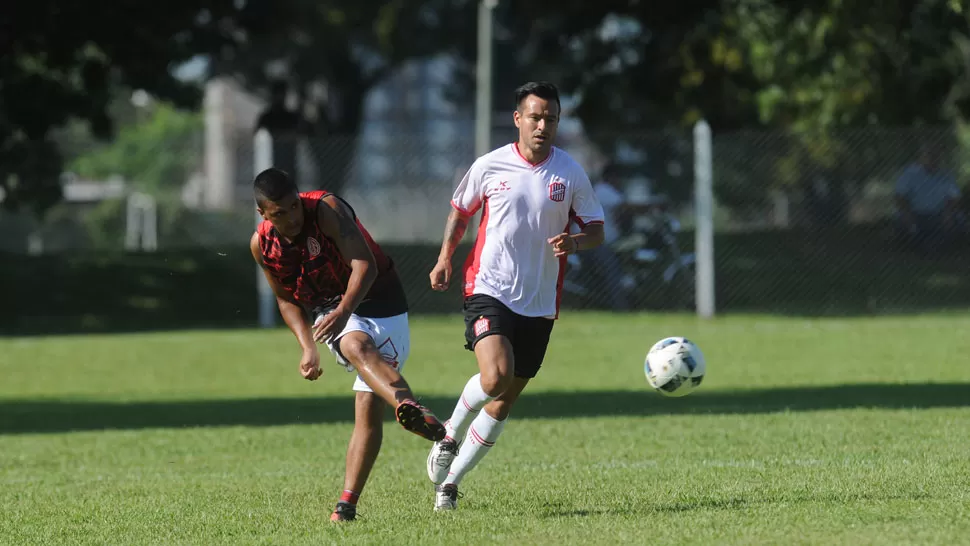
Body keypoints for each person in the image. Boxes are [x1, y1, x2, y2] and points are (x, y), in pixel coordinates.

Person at [425, 82, 606, 511]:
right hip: (489, 288)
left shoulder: (570, 172)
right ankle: (450, 430)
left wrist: (575, 243)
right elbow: (460, 212)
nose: (543, 125)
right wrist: (444, 259)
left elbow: (597, 230)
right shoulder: (490, 166)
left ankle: (450, 484)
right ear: (518, 119)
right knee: (494, 377)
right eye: (536, 117)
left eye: (551, 119)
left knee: (504, 401)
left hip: (541, 302)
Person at [248, 167, 445, 522]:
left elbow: (364, 265)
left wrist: (343, 311)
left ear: (298, 197)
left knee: (367, 414)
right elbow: (285, 299)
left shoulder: (326, 209)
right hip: (334, 310)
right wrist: (307, 345)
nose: (292, 217)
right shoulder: (262, 244)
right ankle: (406, 404)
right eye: (280, 213)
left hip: (382, 300)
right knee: (355, 346)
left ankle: (347, 505)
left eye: (294, 206)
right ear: (263, 213)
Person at [894, 144, 965, 255]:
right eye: (930, 155)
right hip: (916, 214)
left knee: (960, 220)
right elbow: (900, 198)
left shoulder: (946, 175)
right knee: (904, 225)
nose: (933, 159)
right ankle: (921, 246)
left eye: (936, 156)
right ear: (922, 157)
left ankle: (936, 247)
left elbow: (954, 198)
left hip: (939, 215)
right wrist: (908, 216)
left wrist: (948, 214)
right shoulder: (909, 173)